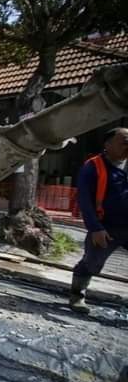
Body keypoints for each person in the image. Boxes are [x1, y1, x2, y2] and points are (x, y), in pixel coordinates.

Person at [70, 127, 128, 313]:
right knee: (92, 263)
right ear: (107, 144)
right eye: (124, 141)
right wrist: (95, 228)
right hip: (106, 227)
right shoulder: (93, 166)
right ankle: (77, 296)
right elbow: (85, 200)